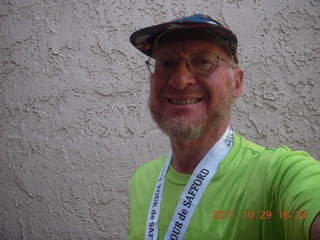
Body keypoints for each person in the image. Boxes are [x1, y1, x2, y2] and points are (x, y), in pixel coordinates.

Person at [127, 14, 320, 240]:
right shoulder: (142, 180)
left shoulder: (276, 175)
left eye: (203, 61)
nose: (179, 80)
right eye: (166, 63)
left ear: (236, 83)